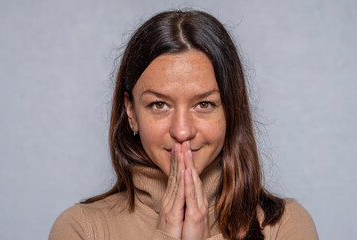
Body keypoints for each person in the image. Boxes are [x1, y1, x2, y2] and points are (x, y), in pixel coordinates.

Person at [49, 10, 318, 240]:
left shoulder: (283, 226)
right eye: (159, 105)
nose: (181, 132)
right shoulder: (82, 229)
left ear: (231, 110)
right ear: (131, 112)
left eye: (204, 105)